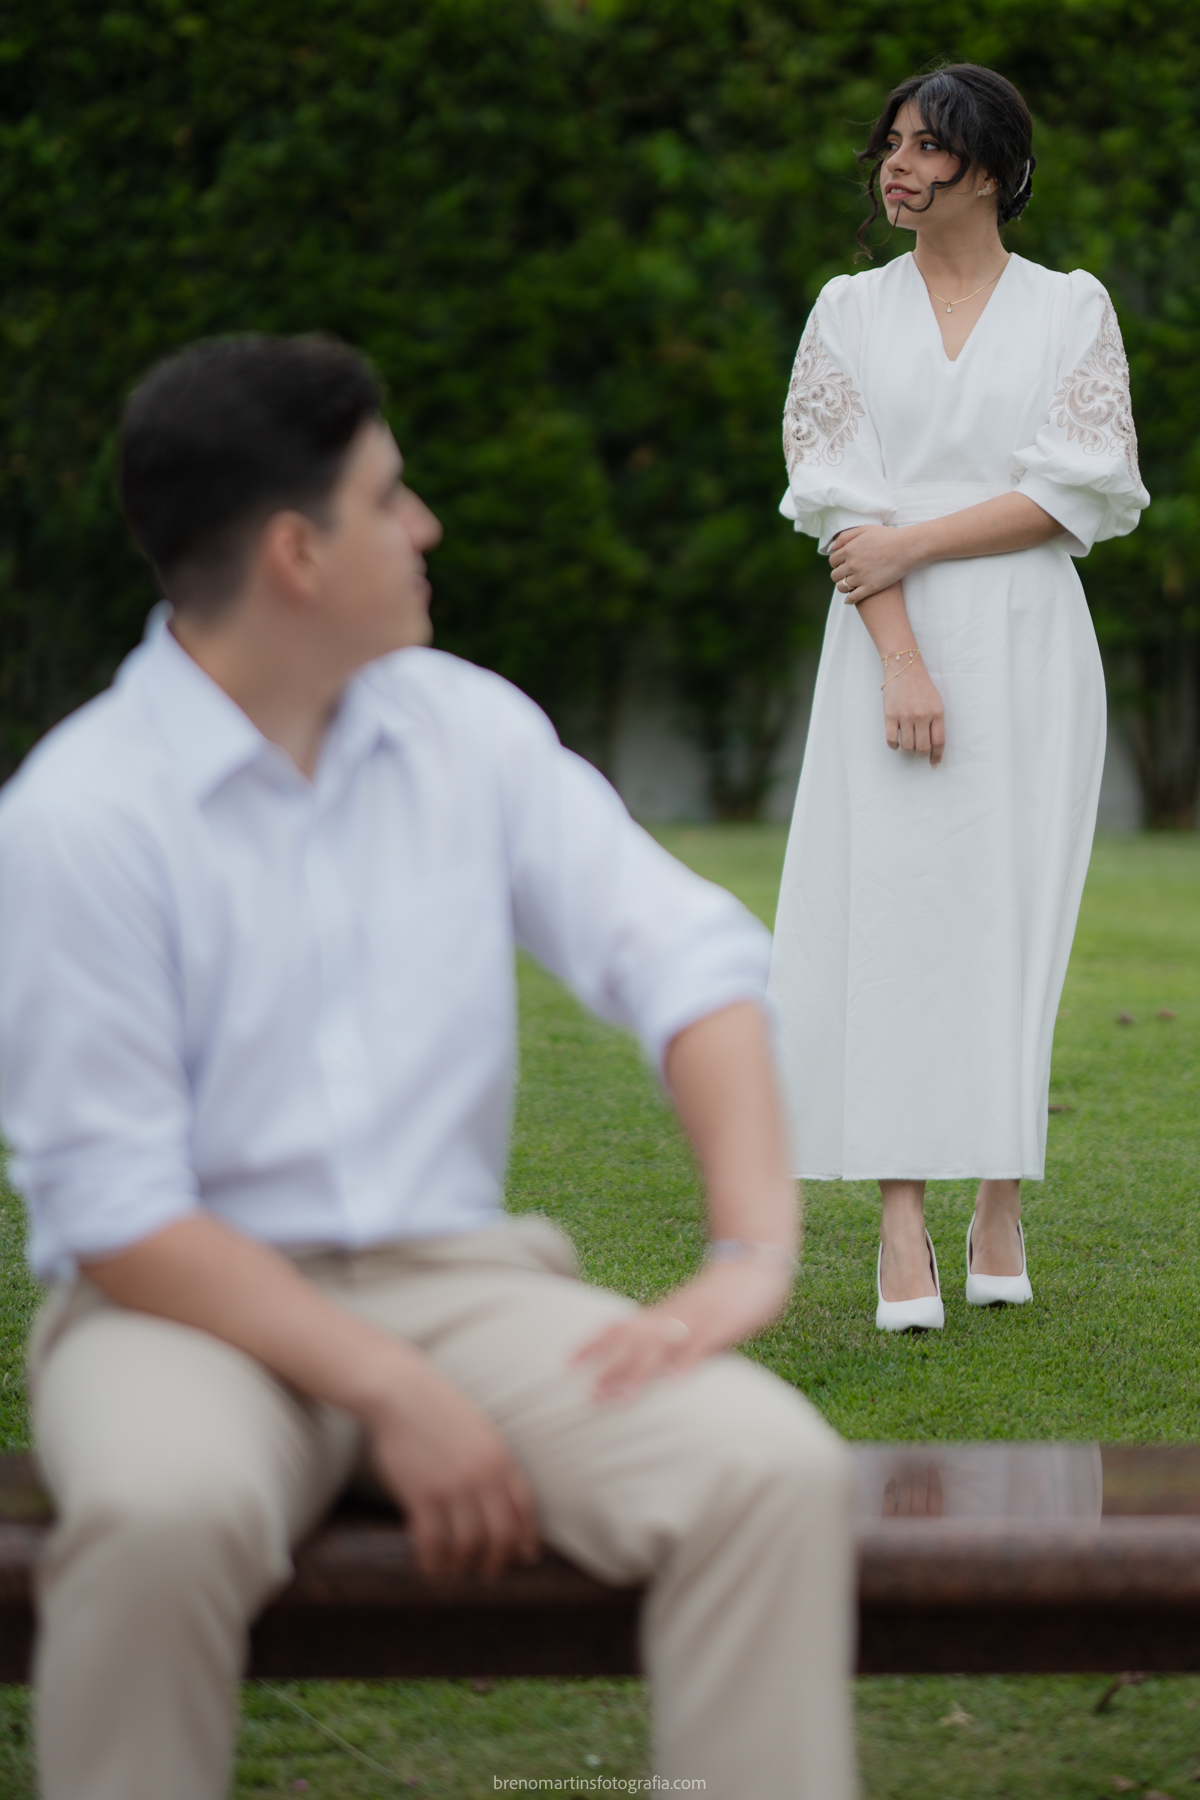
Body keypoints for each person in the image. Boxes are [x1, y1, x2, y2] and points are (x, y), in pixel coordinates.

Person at [0, 335, 855, 1800]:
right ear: (295, 552)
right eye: (389, 497)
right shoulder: (80, 815)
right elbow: (117, 1210)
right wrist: (389, 1388)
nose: (426, 527)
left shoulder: (470, 732)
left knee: (765, 1474)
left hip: (463, 1291)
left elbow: (691, 964)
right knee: (162, 1515)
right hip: (176, 1315)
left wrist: (750, 1248)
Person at [767, 64, 1148, 1332]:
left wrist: (916, 544)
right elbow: (837, 500)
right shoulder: (847, 310)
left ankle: (998, 1201)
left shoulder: (1071, 307)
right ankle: (898, 1221)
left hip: (1030, 641)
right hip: (884, 643)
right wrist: (902, 656)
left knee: (1012, 920)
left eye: (929, 146)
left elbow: (1079, 489)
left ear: (992, 168)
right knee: (892, 921)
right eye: (891, 142)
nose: (899, 164)